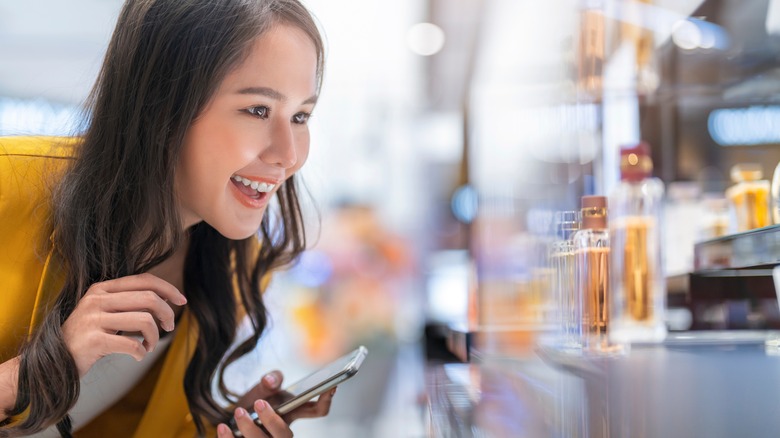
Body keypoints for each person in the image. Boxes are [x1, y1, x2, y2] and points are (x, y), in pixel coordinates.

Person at [0, 0, 332, 436]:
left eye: (301, 116)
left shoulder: (235, 264)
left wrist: (217, 425)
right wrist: (39, 371)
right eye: (257, 110)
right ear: (163, 106)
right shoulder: (10, 186)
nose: (289, 155)